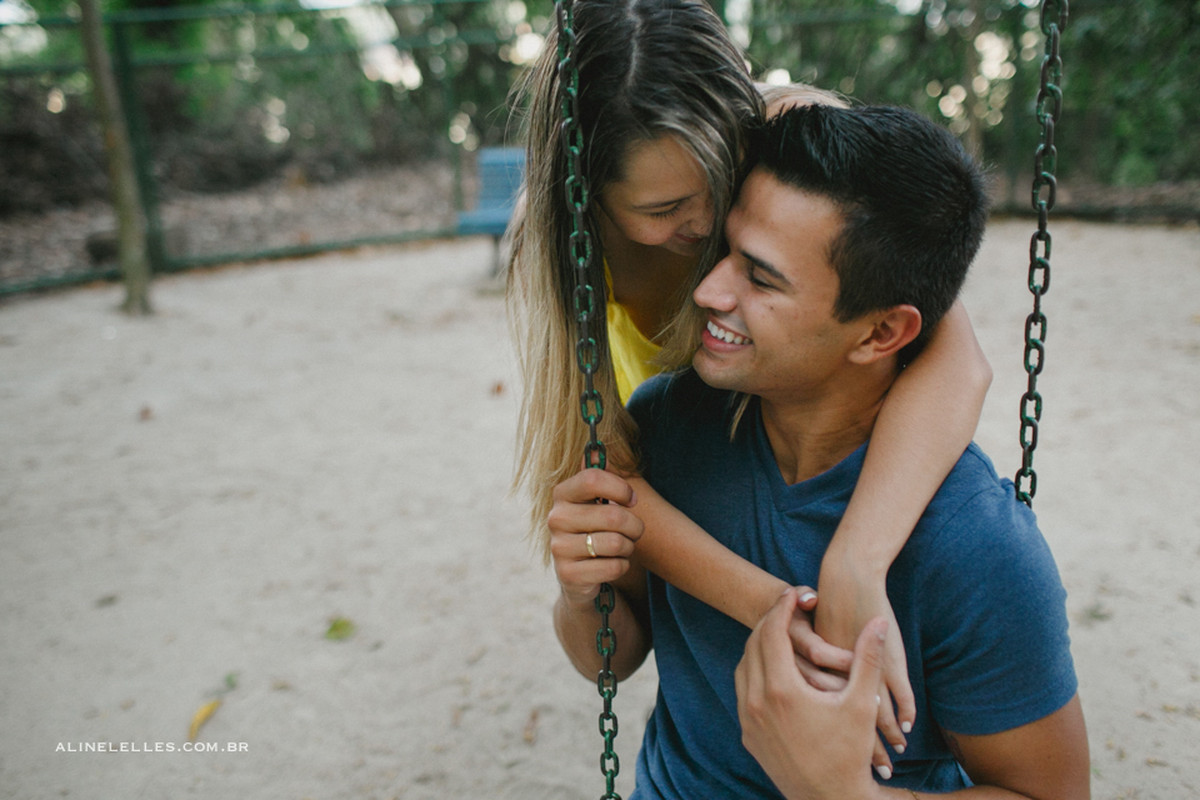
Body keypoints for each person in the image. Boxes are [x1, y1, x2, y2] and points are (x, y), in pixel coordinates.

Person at [550, 103, 1089, 797]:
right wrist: (581, 591)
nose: (709, 290)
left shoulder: (976, 546)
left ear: (879, 334)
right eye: (724, 250)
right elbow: (611, 660)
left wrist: (846, 794)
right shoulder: (668, 424)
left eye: (761, 277)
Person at [507, 0, 991, 763]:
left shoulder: (786, 126)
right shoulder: (567, 252)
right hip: (682, 423)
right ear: (590, 199)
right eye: (664, 210)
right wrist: (776, 605)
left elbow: (953, 354)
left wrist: (854, 564)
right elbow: (611, 481)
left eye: (719, 185)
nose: (703, 225)